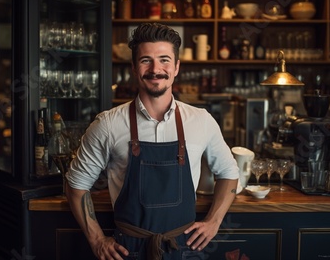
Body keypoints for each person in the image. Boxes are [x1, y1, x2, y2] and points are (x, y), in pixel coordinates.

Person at [66, 23, 239, 259]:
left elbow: (229, 172)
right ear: (134, 68)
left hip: (185, 248)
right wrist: (97, 240)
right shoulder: (108, 124)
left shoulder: (202, 121)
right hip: (128, 250)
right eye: (146, 60)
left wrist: (214, 221)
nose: (156, 69)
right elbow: (76, 184)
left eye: (165, 59)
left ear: (177, 67)